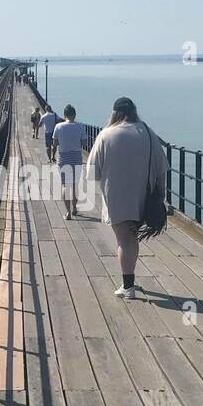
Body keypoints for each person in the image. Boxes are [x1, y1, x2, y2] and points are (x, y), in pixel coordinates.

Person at [86, 96, 167, 300]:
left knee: (123, 240)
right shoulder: (148, 132)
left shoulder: (106, 135)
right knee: (132, 239)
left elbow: (92, 171)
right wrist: (161, 193)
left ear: (115, 113)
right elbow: (161, 167)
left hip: (117, 196)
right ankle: (129, 278)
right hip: (144, 196)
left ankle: (127, 286)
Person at [53, 105, 85, 220]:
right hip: (76, 158)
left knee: (65, 185)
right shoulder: (81, 127)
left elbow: (55, 143)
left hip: (63, 158)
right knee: (75, 185)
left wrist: (53, 155)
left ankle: (68, 213)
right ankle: (75, 208)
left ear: (64, 115)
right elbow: (83, 143)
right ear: (74, 115)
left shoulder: (58, 126)